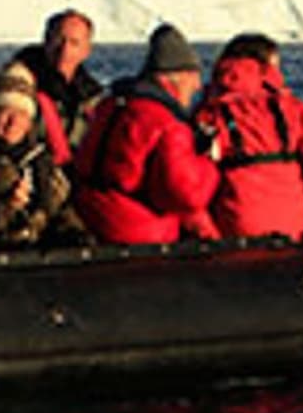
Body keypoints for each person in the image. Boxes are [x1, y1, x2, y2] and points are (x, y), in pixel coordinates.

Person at [74, 22, 221, 246]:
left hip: (91, 216)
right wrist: (208, 161)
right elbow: (185, 195)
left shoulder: (111, 106)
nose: (198, 85)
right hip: (138, 233)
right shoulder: (168, 124)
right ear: (174, 77)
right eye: (193, 75)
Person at [195, 32, 303, 239]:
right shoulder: (294, 110)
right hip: (296, 231)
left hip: (236, 236)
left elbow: (190, 186)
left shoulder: (208, 116)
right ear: (267, 67)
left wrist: (210, 237)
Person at [0, 59, 76, 246]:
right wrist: (6, 205)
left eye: (21, 114)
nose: (12, 122)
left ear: (30, 121)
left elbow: (62, 210)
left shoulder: (42, 161)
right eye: (5, 113)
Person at [5, 8, 103, 163]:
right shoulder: (15, 88)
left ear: (86, 51)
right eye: (59, 40)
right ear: (46, 41)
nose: (64, 50)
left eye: (74, 43)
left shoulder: (93, 99)